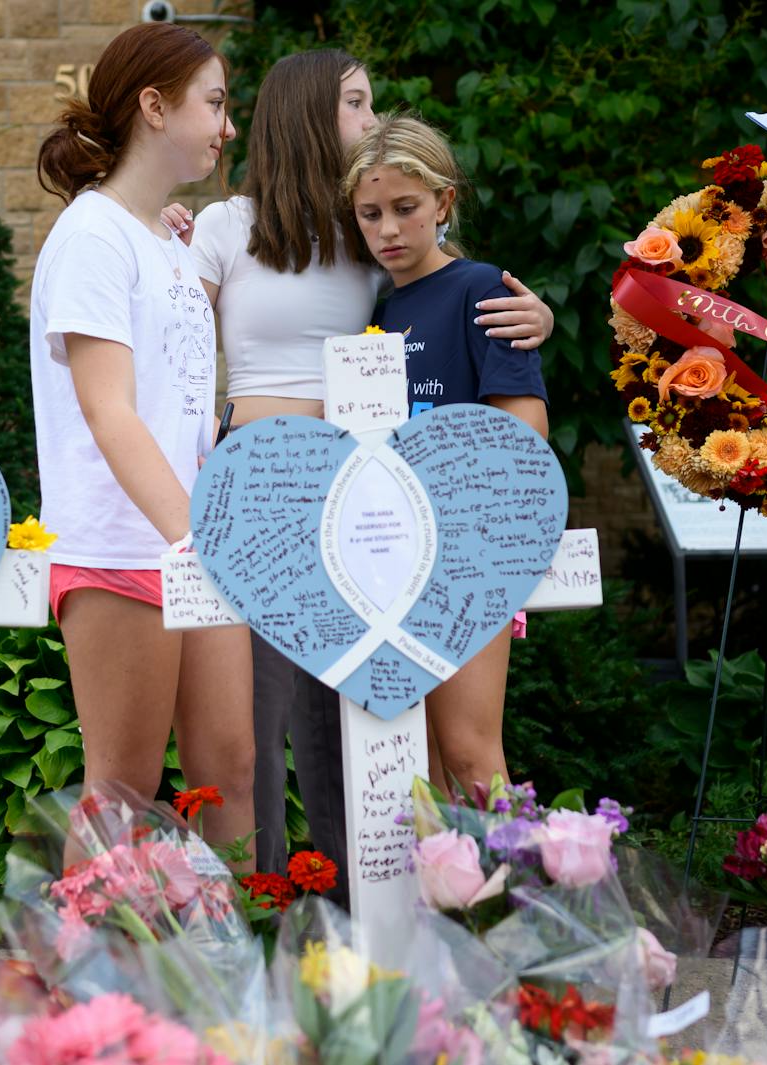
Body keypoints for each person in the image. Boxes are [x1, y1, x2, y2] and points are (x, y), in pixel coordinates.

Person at [162, 50, 554, 899]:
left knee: (351, 716)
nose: (372, 120)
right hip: (254, 490)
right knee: (249, 724)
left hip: (360, 499)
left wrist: (539, 317)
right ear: (309, 110)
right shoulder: (226, 225)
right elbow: (168, 340)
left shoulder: (368, 235)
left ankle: (370, 908)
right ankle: (257, 911)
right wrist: (147, 226)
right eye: (356, 103)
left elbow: (450, 295)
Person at [30, 23, 255, 866]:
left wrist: (206, 539)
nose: (227, 126)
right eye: (215, 103)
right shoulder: (91, 236)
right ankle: (87, 954)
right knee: (122, 788)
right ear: (154, 107)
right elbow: (109, 411)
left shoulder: (162, 236)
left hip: (195, 542)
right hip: (123, 543)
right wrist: (190, 537)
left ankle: (238, 938)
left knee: (231, 769)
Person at [349, 110, 550, 794]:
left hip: (469, 552)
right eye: (370, 214)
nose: (388, 229)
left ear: (444, 202)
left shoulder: (481, 289)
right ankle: (449, 872)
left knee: (469, 752)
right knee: (424, 762)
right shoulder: (378, 310)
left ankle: (521, 868)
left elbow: (524, 432)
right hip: (391, 554)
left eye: (405, 208)